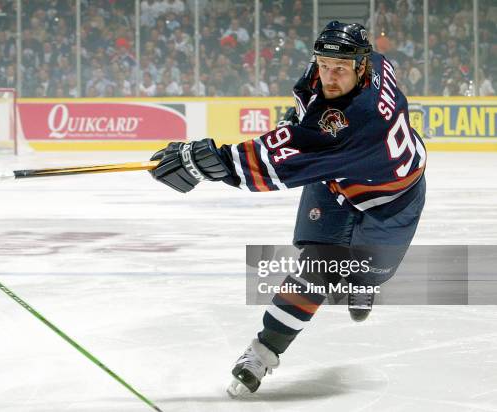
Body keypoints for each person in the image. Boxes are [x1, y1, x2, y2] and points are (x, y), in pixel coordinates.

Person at [148, 21, 426, 396]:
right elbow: (308, 120)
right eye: (324, 64)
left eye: (340, 69)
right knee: (319, 269)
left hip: (391, 202)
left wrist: (205, 161)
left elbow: (269, 165)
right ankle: (261, 354)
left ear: (361, 68)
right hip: (336, 179)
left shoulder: (355, 120)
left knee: (368, 274)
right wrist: (297, 123)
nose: (329, 75)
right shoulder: (374, 62)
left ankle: (364, 283)